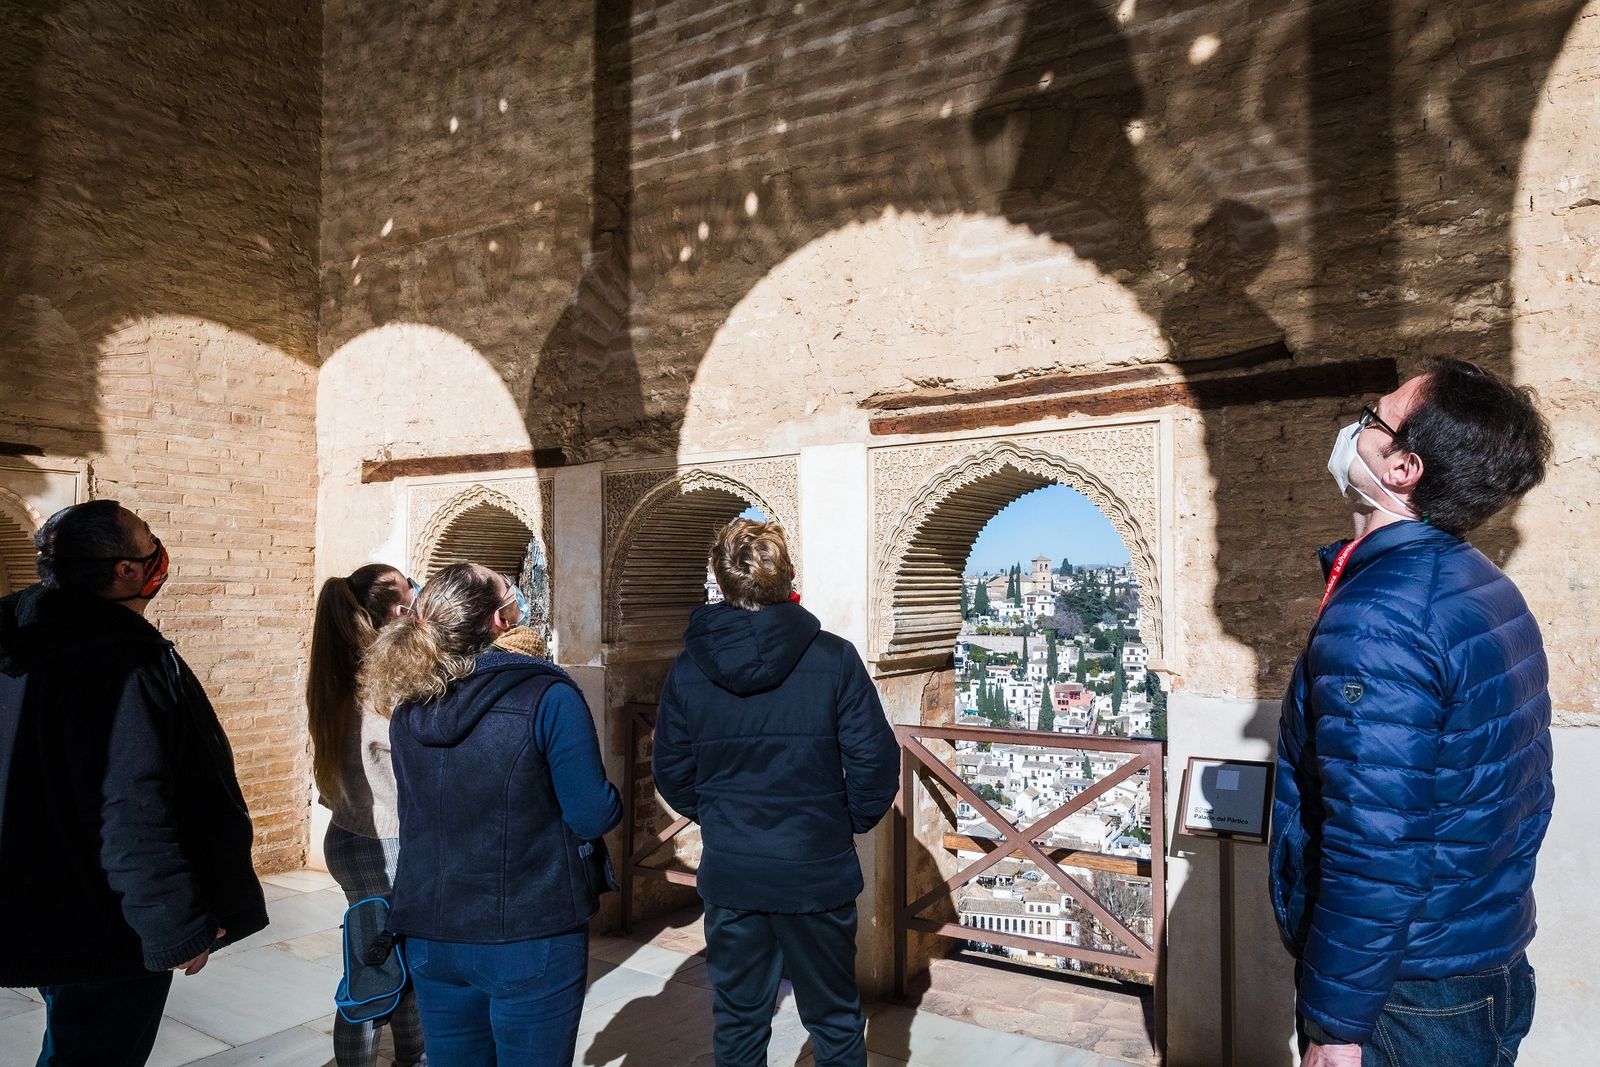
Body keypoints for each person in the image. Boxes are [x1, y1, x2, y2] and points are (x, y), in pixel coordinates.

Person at [1271, 357, 1555, 1066]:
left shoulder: (1382, 619)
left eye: (1373, 420)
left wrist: (1336, 1026)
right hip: (1483, 958)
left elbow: (1373, 845)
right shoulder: (1483, 587)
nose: (1354, 429)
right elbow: (1527, 794)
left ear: (1404, 468)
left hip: (1407, 993)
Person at [0, 501, 268, 1066]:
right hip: (105, 921)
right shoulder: (123, 661)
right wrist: (173, 924)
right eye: (147, 539)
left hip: (35, 896)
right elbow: (130, 806)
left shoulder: (15, 640)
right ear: (126, 569)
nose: (157, 550)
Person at [653, 519, 899, 1067]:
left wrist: (719, 816)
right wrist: (838, 823)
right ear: (787, 575)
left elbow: (670, 769)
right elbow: (875, 764)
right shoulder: (833, 657)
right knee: (835, 1020)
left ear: (723, 579)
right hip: (816, 868)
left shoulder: (691, 666)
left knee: (739, 1022)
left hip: (734, 869)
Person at [359, 562, 621, 1065]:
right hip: (528, 929)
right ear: (498, 621)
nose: (516, 594)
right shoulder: (548, 696)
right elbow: (592, 814)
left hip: (433, 931)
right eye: (507, 589)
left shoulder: (410, 705)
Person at [307, 564, 426, 1067]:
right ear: (397, 611)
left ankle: (412, 1057)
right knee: (373, 970)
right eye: (410, 594)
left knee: (390, 960)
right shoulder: (383, 684)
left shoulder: (337, 674)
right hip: (383, 841)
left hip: (350, 833)